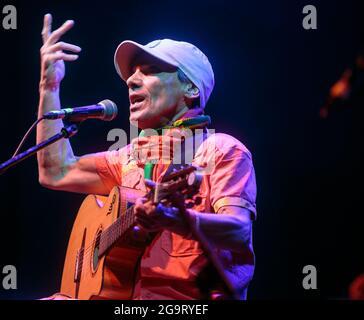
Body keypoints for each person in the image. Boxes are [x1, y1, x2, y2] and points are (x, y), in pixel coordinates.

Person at [37, 14, 257, 300]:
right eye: (132, 74)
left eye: (150, 70)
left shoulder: (221, 150)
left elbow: (239, 231)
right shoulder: (130, 159)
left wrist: (176, 220)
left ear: (191, 88)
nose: (131, 80)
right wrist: (49, 87)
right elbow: (55, 171)